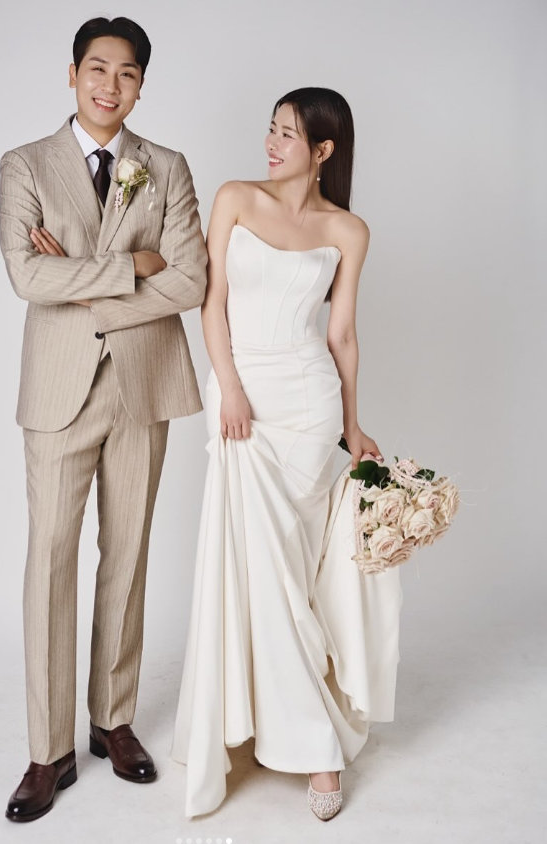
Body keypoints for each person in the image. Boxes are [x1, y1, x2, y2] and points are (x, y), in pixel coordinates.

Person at [172, 88, 402, 821]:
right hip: (243, 399)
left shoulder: (349, 230)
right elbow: (211, 303)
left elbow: (342, 335)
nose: (271, 144)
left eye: (288, 134)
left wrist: (352, 425)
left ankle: (292, 726)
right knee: (260, 569)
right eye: (270, 129)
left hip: (309, 407)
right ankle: (314, 749)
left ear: (323, 150)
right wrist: (229, 388)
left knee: (291, 573)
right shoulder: (235, 198)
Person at [0, 16, 207, 822]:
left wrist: (83, 282)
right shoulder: (26, 164)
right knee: (50, 558)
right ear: (73, 74)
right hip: (58, 390)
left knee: (128, 553)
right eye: (97, 68)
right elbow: (26, 276)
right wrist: (130, 267)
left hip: (143, 385)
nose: (109, 85)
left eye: (126, 73)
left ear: (141, 85)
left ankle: (112, 721)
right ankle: (47, 750)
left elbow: (190, 281)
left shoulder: (167, 166)